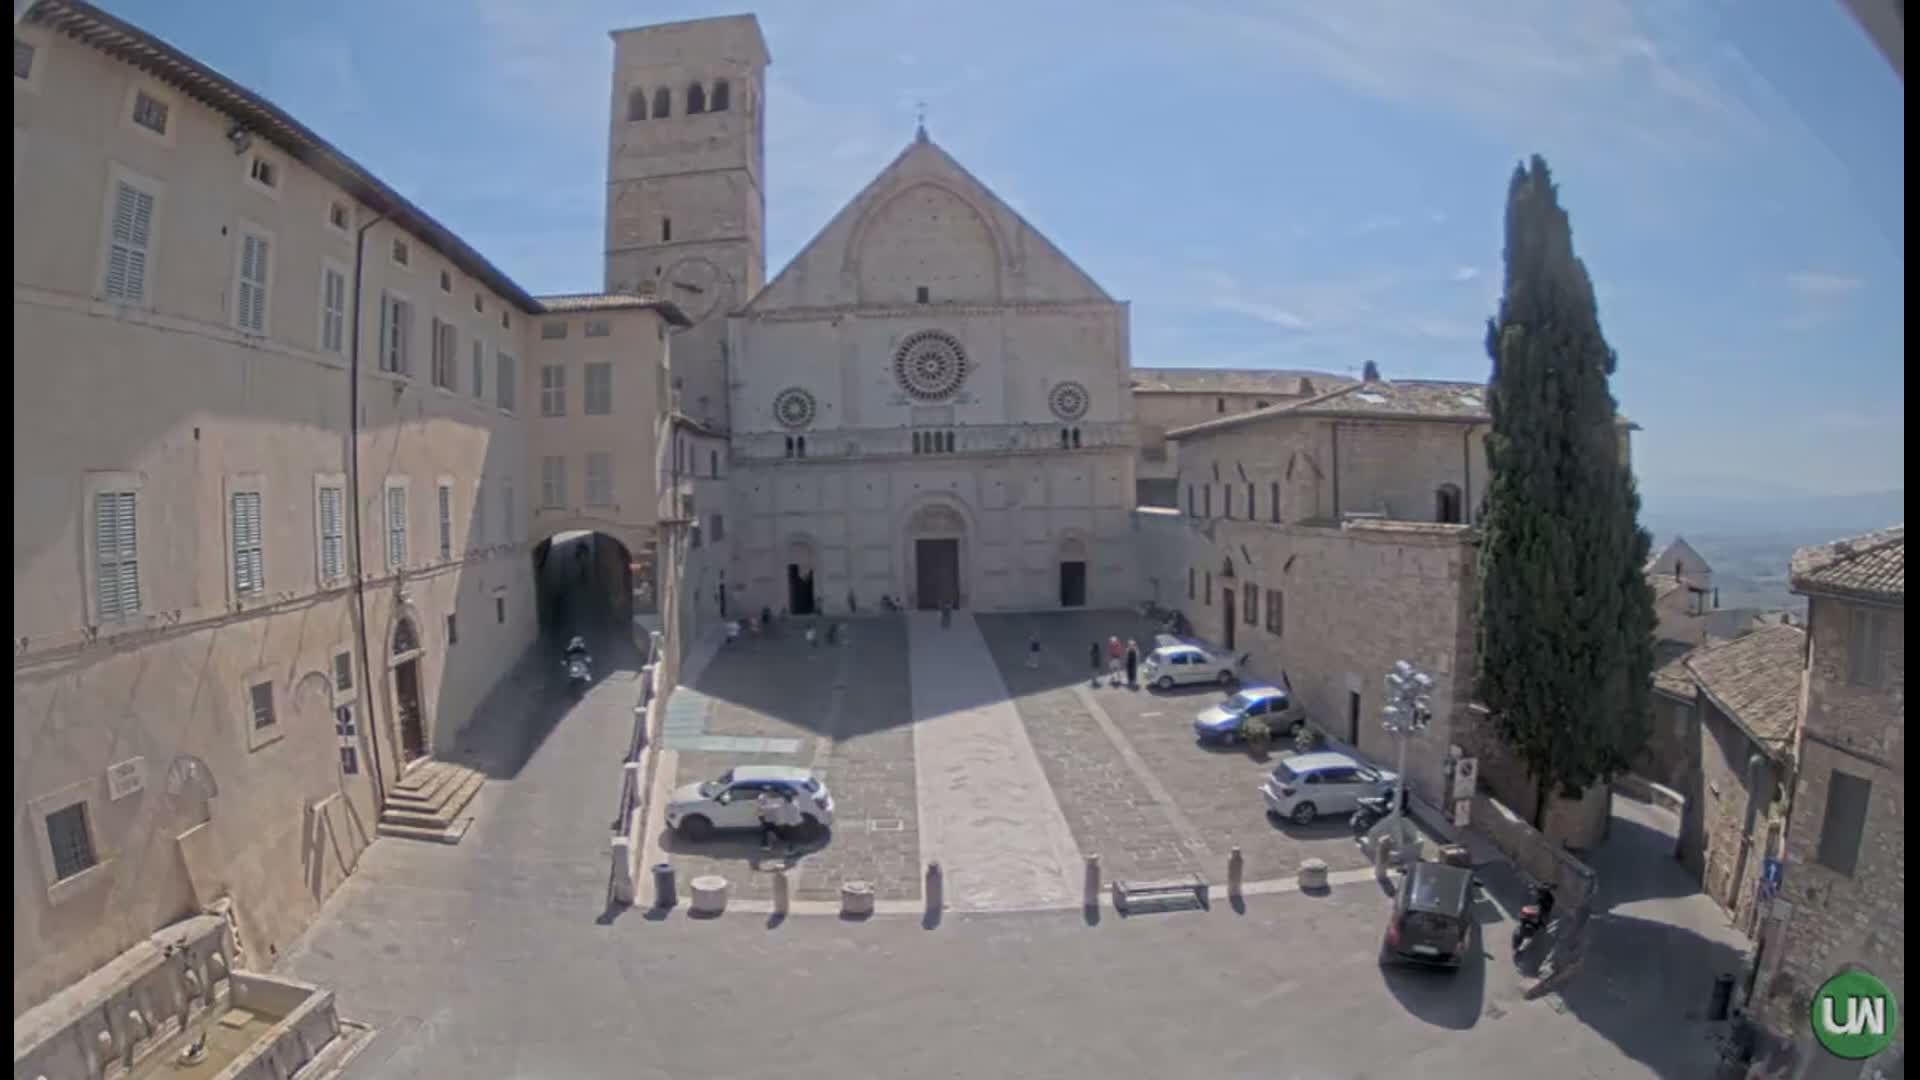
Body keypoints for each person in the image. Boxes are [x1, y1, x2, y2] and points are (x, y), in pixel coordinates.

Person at [774, 792, 807, 856]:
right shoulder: (794, 802)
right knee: (795, 837)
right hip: (797, 822)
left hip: (794, 823)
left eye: (785, 798)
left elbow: (788, 814)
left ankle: (792, 850)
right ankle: (794, 849)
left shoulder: (789, 805)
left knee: (793, 838)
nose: (784, 799)